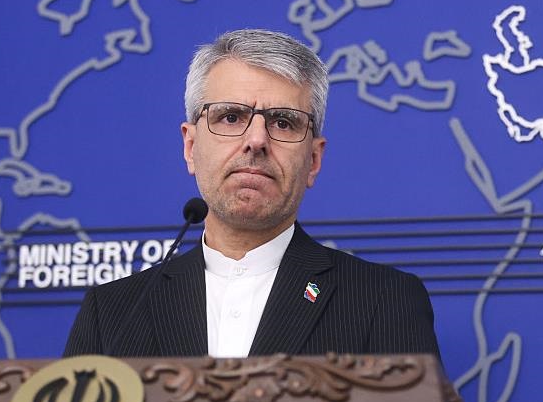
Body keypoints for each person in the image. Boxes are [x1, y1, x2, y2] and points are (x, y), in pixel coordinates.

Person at [64, 29, 439, 358]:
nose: (256, 140)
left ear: (313, 159)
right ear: (190, 147)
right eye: (231, 117)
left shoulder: (385, 301)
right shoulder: (112, 313)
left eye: (283, 122)